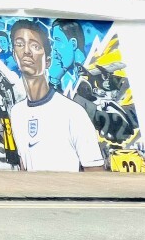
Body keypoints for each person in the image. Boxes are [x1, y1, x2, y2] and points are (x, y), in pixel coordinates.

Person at [9, 20, 105, 172]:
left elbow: (95, 171)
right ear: (14, 54)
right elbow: (24, 164)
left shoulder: (72, 112)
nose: (26, 51)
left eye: (35, 46)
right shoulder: (16, 113)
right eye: (20, 44)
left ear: (47, 61)